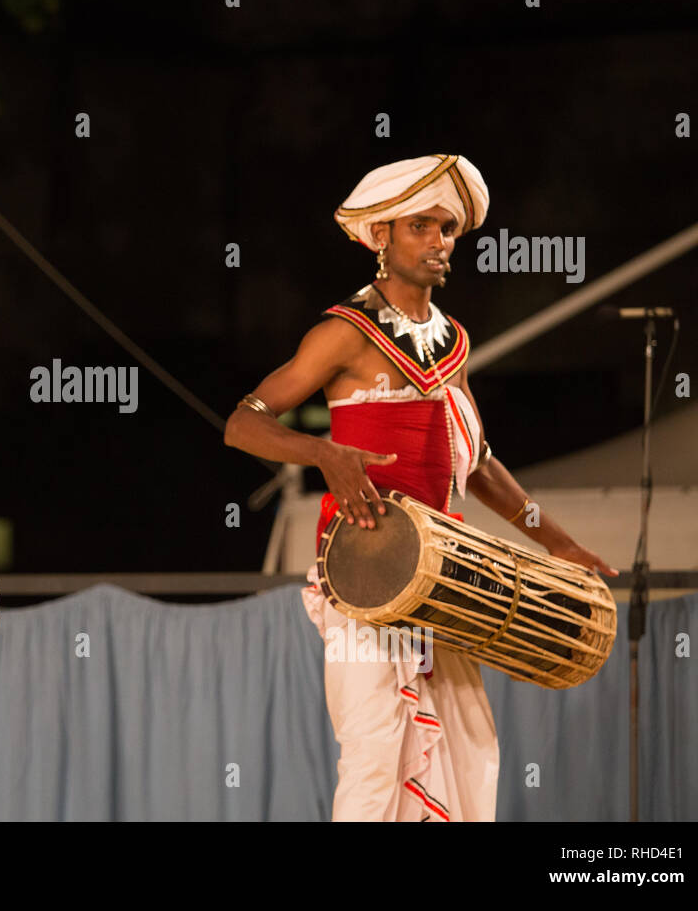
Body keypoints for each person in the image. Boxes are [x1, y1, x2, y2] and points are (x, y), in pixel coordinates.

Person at [224, 154, 617, 821]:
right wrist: (324, 453)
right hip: (360, 573)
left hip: (442, 572)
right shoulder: (343, 333)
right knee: (376, 753)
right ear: (381, 237)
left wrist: (562, 544)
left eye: (448, 230)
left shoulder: (452, 342)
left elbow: (481, 463)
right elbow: (243, 422)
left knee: (466, 747)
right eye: (422, 228)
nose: (441, 243)